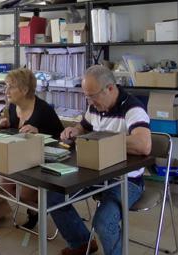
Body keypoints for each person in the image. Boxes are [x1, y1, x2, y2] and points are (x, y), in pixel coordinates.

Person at [48, 65, 151, 255]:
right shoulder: (95, 107)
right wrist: (75, 131)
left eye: (92, 95)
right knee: (53, 197)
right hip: (95, 173)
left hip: (126, 180)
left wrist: (103, 140)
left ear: (110, 88)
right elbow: (83, 126)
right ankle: (80, 243)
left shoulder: (133, 108)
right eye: (87, 96)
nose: (90, 101)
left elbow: (144, 144)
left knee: (103, 222)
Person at [0, 68, 64, 229]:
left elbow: (62, 139)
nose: (6, 91)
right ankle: (39, 209)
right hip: (22, 157)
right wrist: (6, 124)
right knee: (3, 184)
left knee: (25, 192)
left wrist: (39, 133)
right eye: (5, 86)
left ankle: (37, 210)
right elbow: (17, 134)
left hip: (45, 159)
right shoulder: (13, 107)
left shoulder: (43, 109)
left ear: (25, 90)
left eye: (11, 87)